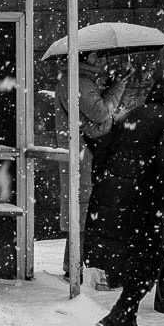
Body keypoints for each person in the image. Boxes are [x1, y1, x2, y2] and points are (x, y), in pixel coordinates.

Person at [84, 73, 164, 326]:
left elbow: (101, 149)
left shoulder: (136, 113)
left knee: (140, 259)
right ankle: (117, 317)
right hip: (142, 202)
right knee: (151, 259)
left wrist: (111, 185)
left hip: (117, 198)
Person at [55, 50, 130, 276]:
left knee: (82, 209)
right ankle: (79, 267)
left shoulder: (78, 81)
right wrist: (118, 87)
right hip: (82, 155)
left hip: (81, 153)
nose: (100, 60)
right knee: (84, 208)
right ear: (85, 57)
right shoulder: (78, 82)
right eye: (96, 56)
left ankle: (75, 265)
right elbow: (99, 113)